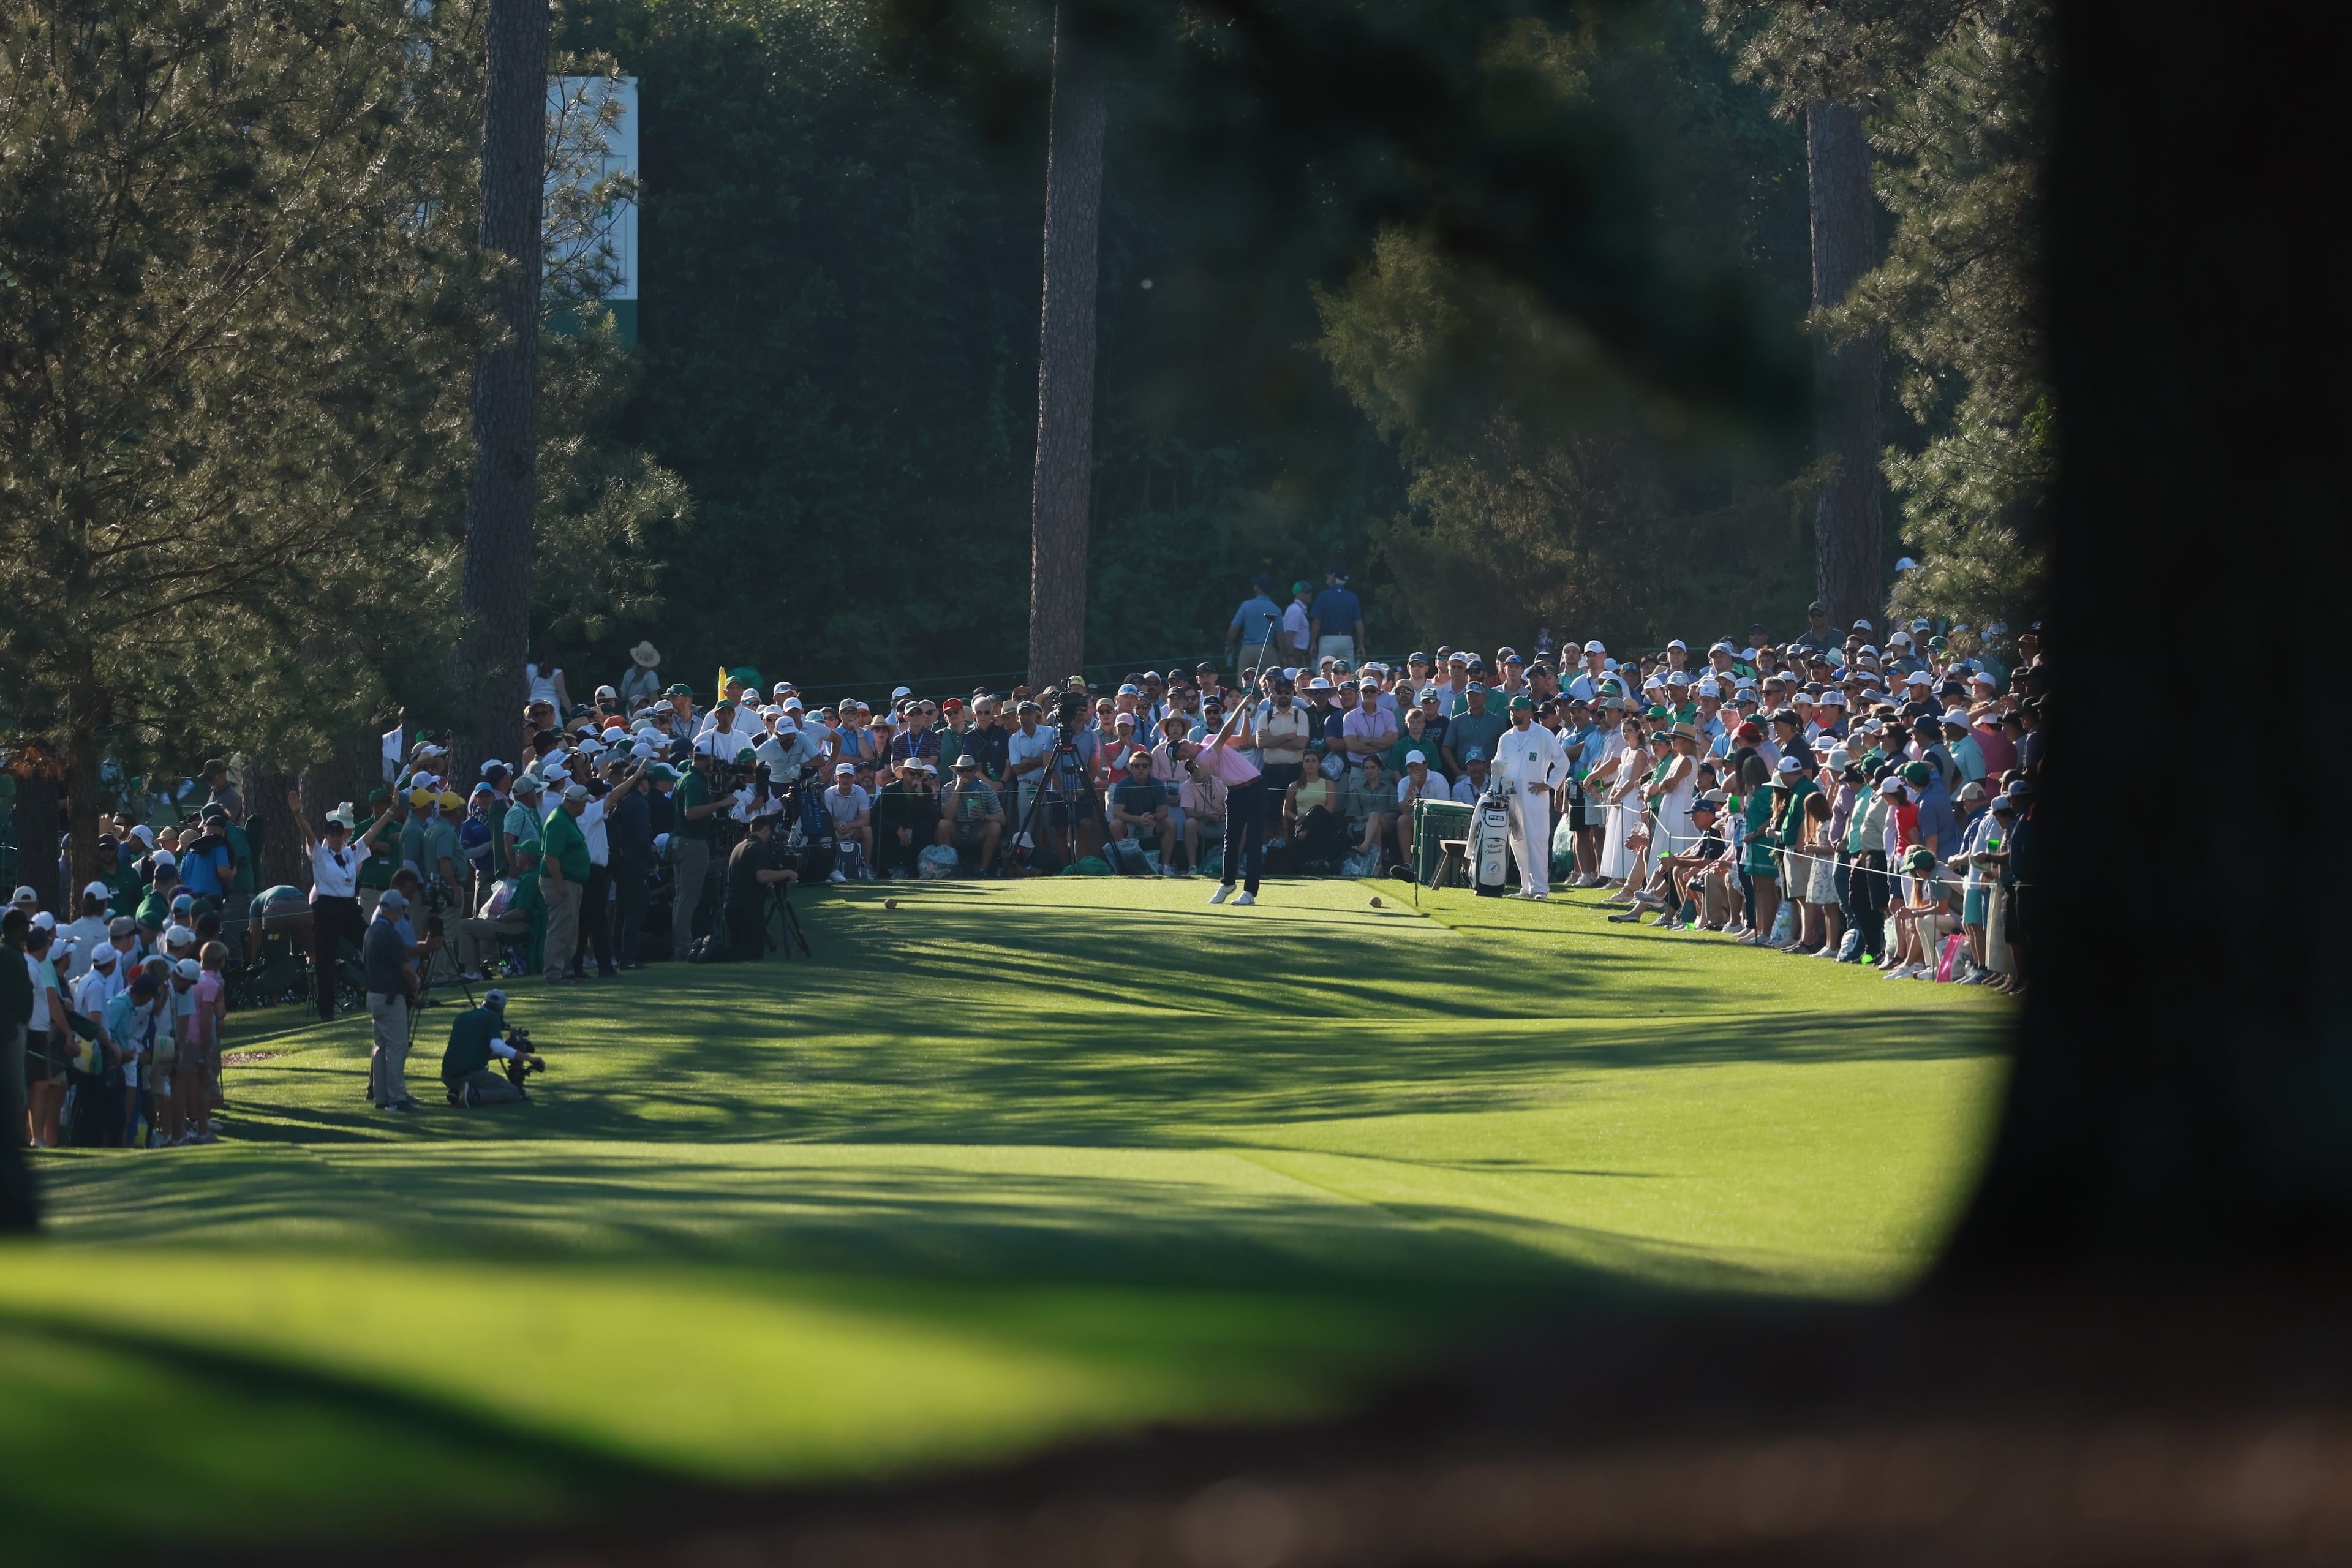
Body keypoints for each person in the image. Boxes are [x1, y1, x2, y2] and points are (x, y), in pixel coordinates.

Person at [287, 792, 393, 1022]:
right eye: (332, 834)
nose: (336, 838)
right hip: (326, 910)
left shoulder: (350, 852)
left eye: (339, 834)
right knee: (325, 961)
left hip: (348, 909)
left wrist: (391, 812)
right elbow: (308, 834)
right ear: (327, 836)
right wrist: (298, 814)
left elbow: (371, 833)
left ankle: (385, 991)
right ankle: (327, 1012)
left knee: (372, 942)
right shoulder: (320, 854)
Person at [1182, 698, 1266, 906]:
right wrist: (1240, 706)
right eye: (1180, 754)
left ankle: (1249, 893)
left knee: (1255, 840)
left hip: (1256, 787)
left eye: (1181, 747)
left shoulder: (1209, 738)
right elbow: (1226, 734)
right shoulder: (1203, 759)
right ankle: (1228, 883)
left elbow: (1244, 738)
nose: (1183, 750)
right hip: (1236, 794)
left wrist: (1247, 716)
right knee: (1232, 840)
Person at [1493, 695, 1568, 899]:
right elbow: (1498, 765)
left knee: (1536, 840)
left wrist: (1549, 784)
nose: (1513, 714)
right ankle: (1526, 887)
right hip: (1511, 797)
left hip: (1535, 796)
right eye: (1511, 711)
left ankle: (1540, 888)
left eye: (1516, 710)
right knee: (1518, 841)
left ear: (1528, 712)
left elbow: (1563, 762)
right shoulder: (1506, 737)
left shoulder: (1543, 735)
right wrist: (1495, 789)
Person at [362, 888, 421, 1112]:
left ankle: (382, 1097)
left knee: (381, 1047)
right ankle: (397, 1099)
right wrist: (415, 984)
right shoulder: (391, 934)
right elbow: (407, 968)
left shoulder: (372, 931)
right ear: (397, 910)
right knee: (397, 1047)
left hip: (374, 996)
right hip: (391, 996)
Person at [438, 989, 543, 1106]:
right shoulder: (492, 1018)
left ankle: (457, 1092)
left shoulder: (462, 1017)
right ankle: (473, 1095)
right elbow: (498, 1047)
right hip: (469, 1075)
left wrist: (508, 1046)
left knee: (482, 1069)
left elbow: (477, 1051)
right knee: (514, 1093)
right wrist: (530, 1058)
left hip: (447, 1076)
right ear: (502, 1009)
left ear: (483, 1002)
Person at [537, 783, 593, 986]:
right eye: (584, 803)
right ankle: (553, 974)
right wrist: (560, 885)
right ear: (576, 802)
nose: (586, 807)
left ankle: (566, 971)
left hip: (571, 882)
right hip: (561, 883)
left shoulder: (566, 819)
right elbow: (551, 857)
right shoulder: (558, 822)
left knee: (570, 930)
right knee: (560, 930)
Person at [723, 813, 799, 960]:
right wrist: (787, 873)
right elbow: (762, 876)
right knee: (753, 953)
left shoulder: (739, 846)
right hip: (748, 907)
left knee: (737, 951)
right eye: (770, 832)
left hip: (731, 905)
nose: (771, 837)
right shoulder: (760, 848)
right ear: (765, 830)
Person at [1107, 748, 1178, 872]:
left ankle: (1165, 866)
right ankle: (1126, 866)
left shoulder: (1158, 784)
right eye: (1137, 765)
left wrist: (1153, 818)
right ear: (1132, 768)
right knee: (1115, 825)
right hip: (1130, 824)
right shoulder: (1123, 784)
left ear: (1150, 769)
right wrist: (1138, 819)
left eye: (1145, 766)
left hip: (1151, 823)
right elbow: (1117, 813)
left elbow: (1163, 812)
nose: (1141, 768)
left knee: (1170, 823)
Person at [937, 753, 1005, 872]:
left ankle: (983, 870)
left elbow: (1002, 819)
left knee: (995, 827)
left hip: (977, 829)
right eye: (961, 770)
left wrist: (983, 816)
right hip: (957, 828)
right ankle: (952, 869)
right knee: (943, 825)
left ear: (975, 771)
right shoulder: (948, 788)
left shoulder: (986, 789)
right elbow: (947, 816)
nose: (965, 773)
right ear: (956, 772)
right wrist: (957, 789)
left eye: (969, 769)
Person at [1308, 567, 1365, 667]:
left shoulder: (1323, 596)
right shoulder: (1352, 597)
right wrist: (1361, 645)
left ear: (1334, 578)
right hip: (1347, 639)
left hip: (1328, 639)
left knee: (1325, 672)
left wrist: (1313, 643)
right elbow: (1359, 623)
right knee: (1348, 673)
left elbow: (1316, 623)